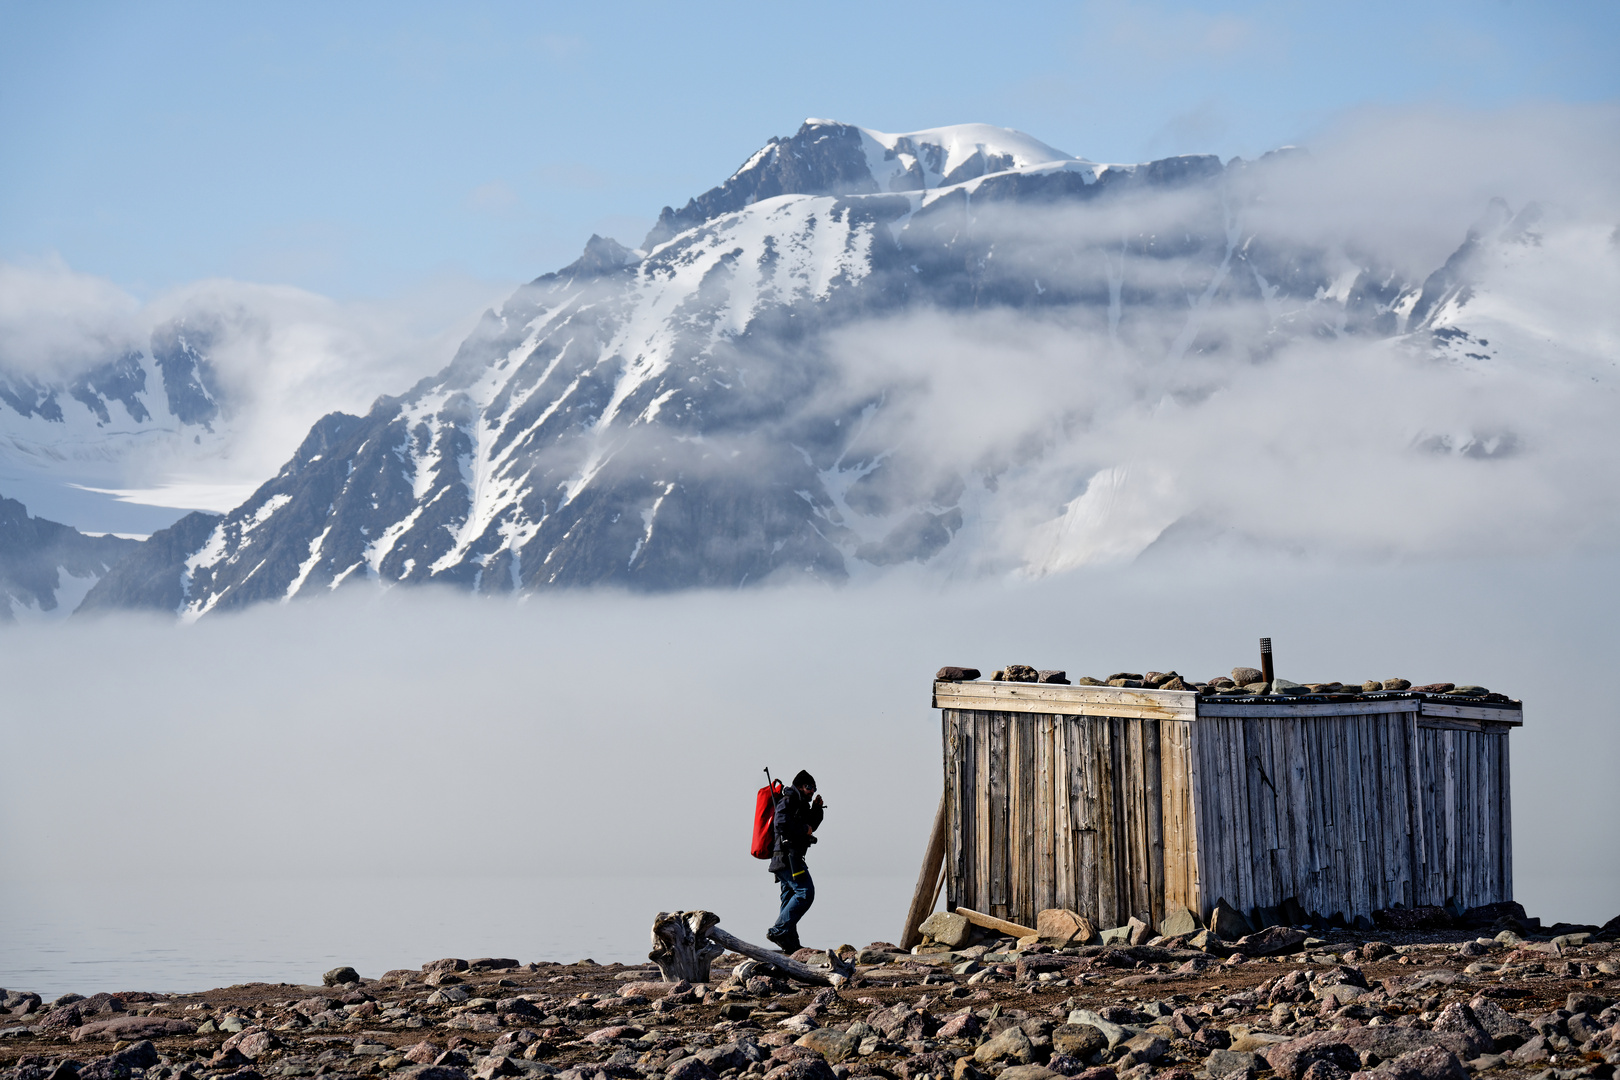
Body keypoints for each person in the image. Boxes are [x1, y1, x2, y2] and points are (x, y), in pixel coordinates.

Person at [765, 769, 823, 952]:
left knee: (789, 896)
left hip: (790, 859)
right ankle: (778, 931)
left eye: (814, 788)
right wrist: (802, 828)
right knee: (805, 893)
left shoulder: (800, 804)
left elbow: (810, 827)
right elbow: (780, 824)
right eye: (809, 787)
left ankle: (791, 944)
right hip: (786, 859)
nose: (811, 791)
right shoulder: (788, 800)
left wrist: (817, 809)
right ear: (799, 786)